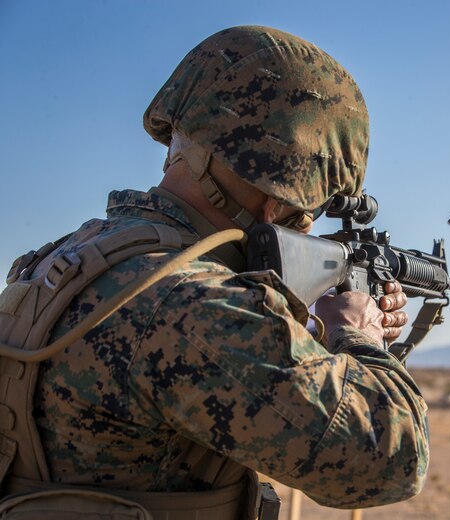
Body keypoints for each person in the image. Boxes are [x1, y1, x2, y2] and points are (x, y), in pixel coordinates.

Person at [0, 26, 428, 517]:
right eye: (310, 209)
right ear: (280, 200)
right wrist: (359, 338)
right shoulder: (192, 306)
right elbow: (391, 461)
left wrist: (307, 328)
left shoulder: (67, 258)